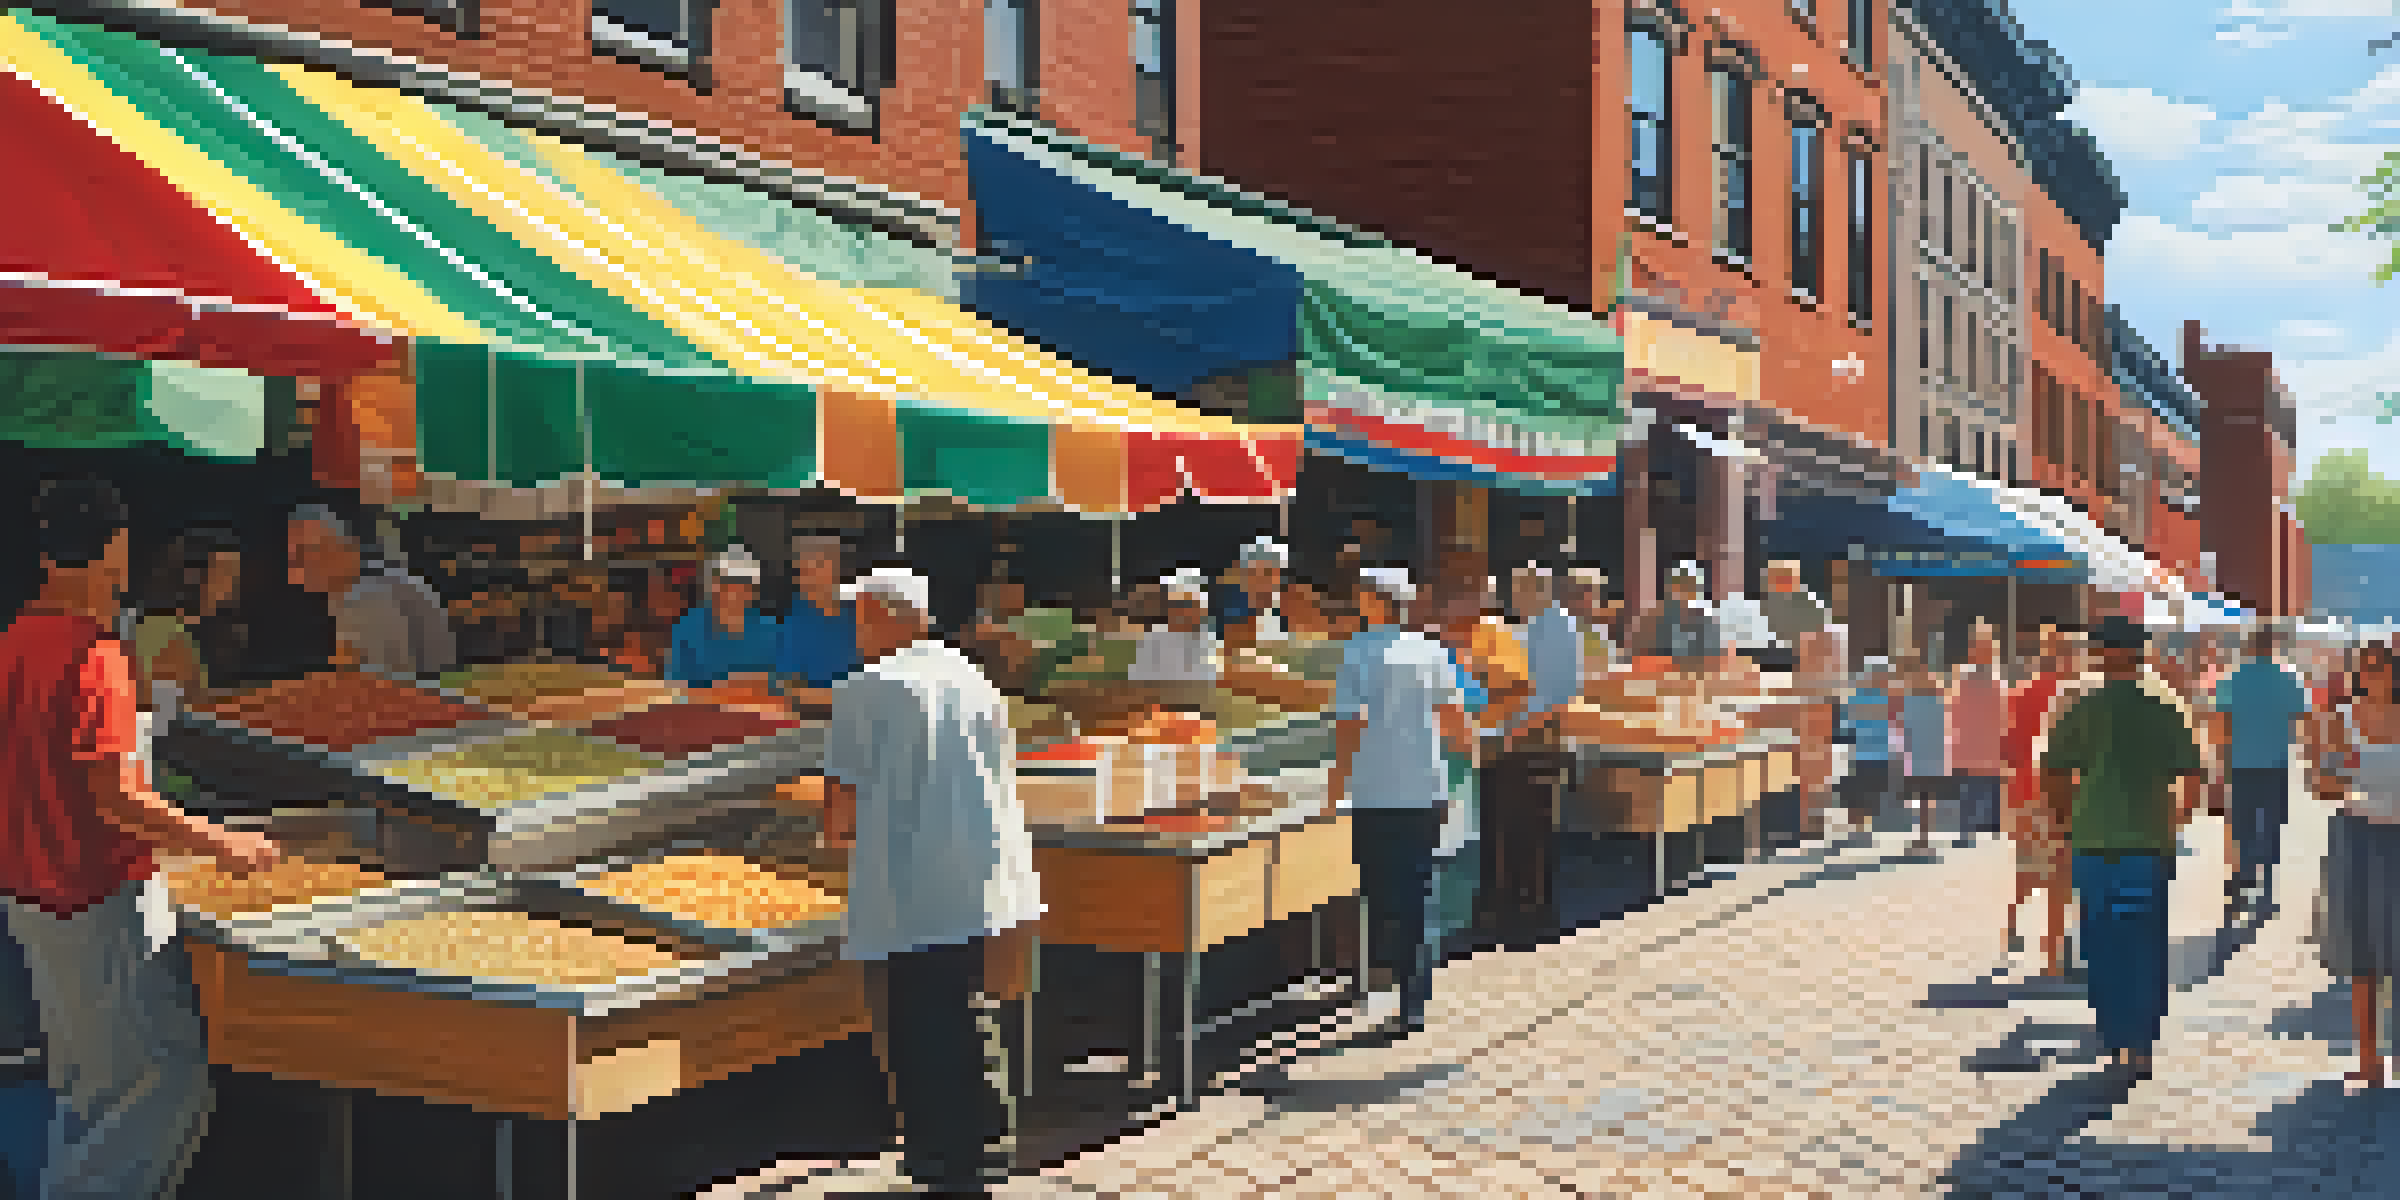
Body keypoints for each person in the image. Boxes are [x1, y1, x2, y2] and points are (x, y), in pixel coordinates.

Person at [1, 477, 282, 1199]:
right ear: (117, 551)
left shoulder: (13, 642)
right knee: (159, 1084)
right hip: (98, 899)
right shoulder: (97, 656)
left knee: (88, 1091)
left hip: (31, 901)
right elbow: (118, 799)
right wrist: (226, 844)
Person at [818, 568, 1038, 1193]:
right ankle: (987, 1139)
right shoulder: (971, 678)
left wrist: (835, 832)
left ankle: (943, 1158)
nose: (855, 629)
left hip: (912, 882)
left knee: (919, 1021)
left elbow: (841, 805)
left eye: (861, 616)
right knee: (967, 1004)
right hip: (982, 871)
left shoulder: (869, 687)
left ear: (888, 617)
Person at [2040, 614, 2204, 1080]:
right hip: (2148, 845)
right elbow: (2192, 777)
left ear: (2100, 653)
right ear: (2140, 653)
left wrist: (2064, 818)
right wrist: (2175, 822)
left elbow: (2051, 769)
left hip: (2092, 841)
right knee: (2145, 944)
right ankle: (2141, 1043)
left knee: (2101, 945)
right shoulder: (2164, 706)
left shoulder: (2083, 706)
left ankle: (2115, 1040)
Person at [1327, 568, 1473, 1043]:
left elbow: (1350, 724)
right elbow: (1456, 722)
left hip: (1374, 791)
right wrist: (1466, 772)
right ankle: (1412, 1001)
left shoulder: (1358, 650)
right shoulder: (1431, 650)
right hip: (1423, 790)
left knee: (1381, 894)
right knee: (1418, 895)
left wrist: (1336, 783)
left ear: (1373, 601)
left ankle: (1390, 992)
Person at [2313, 639, 2400, 1089]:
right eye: (2363, 668)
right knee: (2365, 955)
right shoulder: (2342, 721)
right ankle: (2370, 1060)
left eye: (2378, 667)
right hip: (2359, 837)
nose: (2370, 675)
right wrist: (2336, 778)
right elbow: (2320, 785)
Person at [2211, 624, 2311, 920]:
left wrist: (2218, 767)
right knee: (2271, 826)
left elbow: (2222, 727)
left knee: (2241, 827)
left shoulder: (2232, 679)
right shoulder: (2289, 678)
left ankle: (2241, 889)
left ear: (2249, 647)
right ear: (2274, 646)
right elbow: (2300, 721)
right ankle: (2267, 892)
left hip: (2240, 763)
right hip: (2275, 763)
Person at [287, 504, 457, 677]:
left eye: (306, 554)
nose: (295, 572)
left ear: (347, 548)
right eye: (294, 558)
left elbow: (386, 684)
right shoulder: (351, 595)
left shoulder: (368, 600)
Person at [2004, 625, 2080, 976]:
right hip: (2062, 790)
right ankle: (2053, 955)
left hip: (2024, 791)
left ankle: (2013, 922)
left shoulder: (2021, 694)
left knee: (2029, 869)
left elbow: (2007, 746)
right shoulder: (2076, 696)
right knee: (2060, 876)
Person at [131, 525, 246, 719]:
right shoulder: (165, 634)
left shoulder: (185, 629)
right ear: (192, 577)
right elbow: (191, 714)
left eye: (235, 574)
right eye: (224, 574)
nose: (232, 585)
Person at [665, 546, 782, 688]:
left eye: (743, 583)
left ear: (752, 590)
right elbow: (675, 687)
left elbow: (780, 685)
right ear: (714, 585)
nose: (735, 590)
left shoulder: (769, 630)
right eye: (727, 582)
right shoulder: (688, 628)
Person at [776, 536, 864, 709]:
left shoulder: (859, 613)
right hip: (819, 718)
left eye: (817, 566)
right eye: (802, 570)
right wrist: (843, 700)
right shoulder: (793, 623)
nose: (807, 576)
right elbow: (788, 690)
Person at [1947, 624, 2010, 850]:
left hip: (1988, 747)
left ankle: (1988, 836)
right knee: (1970, 791)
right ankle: (1968, 832)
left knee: (1987, 791)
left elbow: (2003, 714)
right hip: (1971, 747)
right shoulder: (1966, 677)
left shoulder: (1996, 679)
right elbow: (1955, 710)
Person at [1127, 569, 1222, 709]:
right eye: (1180, 605)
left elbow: (1214, 688)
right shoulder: (1153, 639)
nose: (1186, 612)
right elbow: (1138, 686)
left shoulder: (1210, 640)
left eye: (1194, 605)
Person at [1214, 538, 1289, 650]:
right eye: (1266, 572)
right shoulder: (1231, 604)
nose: (1273, 580)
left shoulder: (1279, 604)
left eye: (1276, 573)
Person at [1758, 560, 1830, 650]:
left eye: (1786, 575)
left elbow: (1821, 627)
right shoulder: (1764, 605)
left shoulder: (1808, 601)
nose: (1782, 580)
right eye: (1777, 576)